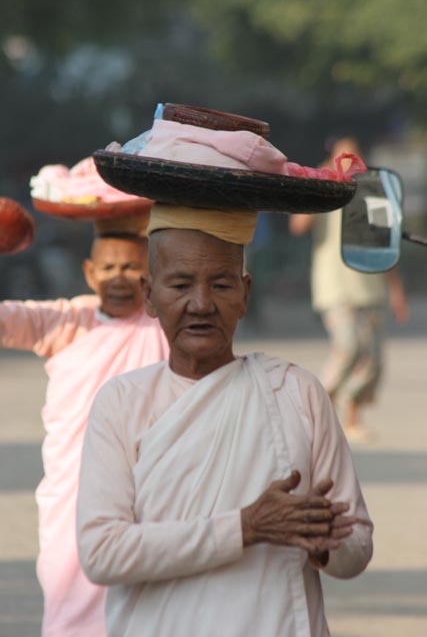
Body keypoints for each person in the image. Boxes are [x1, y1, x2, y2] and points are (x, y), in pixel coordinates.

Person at [77, 202, 373, 637]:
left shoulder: (295, 391)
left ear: (245, 294)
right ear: (150, 295)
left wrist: (328, 543)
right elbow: (102, 552)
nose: (201, 304)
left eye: (220, 284)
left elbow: (358, 547)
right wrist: (246, 527)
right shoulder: (120, 403)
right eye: (180, 285)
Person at [0, 214, 169, 637]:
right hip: (71, 497)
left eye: (131, 267)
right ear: (89, 273)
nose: (119, 278)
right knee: (70, 605)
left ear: (151, 274)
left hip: (149, 494)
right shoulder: (67, 321)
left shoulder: (168, 326)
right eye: (109, 268)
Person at [289, 137, 409, 441]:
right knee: (348, 347)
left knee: (372, 359)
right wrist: (318, 186)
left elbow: (385, 242)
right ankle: (321, 402)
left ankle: (352, 417)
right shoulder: (325, 188)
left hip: (370, 287)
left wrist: (396, 290)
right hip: (335, 289)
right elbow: (298, 227)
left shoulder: (373, 193)